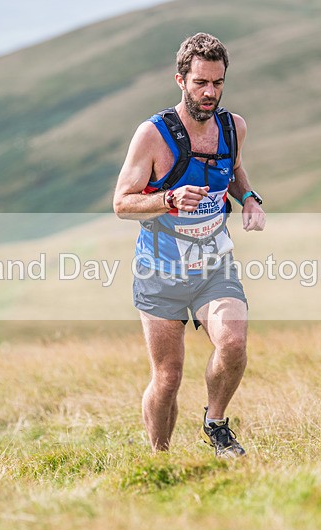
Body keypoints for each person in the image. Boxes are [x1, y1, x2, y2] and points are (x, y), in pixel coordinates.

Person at [113, 33, 266, 458]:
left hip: (214, 265)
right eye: (201, 83)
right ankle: (160, 460)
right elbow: (121, 203)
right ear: (180, 80)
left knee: (233, 344)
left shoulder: (233, 128)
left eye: (217, 83)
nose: (210, 93)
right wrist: (167, 198)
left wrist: (249, 198)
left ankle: (216, 424)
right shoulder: (153, 135)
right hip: (160, 270)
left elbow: (233, 171)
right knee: (167, 377)